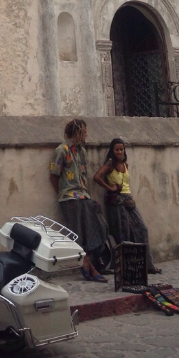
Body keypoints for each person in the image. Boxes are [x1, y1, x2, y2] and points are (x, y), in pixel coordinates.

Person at [49, 118, 109, 282]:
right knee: (78, 234)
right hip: (69, 198)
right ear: (77, 132)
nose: (86, 134)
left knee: (99, 227)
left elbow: (83, 175)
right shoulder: (62, 150)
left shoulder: (81, 151)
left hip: (84, 196)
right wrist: (63, 194)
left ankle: (87, 261)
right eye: (84, 131)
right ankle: (89, 267)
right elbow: (54, 175)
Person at [94, 138, 162, 274]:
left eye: (122, 149)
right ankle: (126, 268)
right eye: (117, 149)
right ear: (112, 151)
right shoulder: (110, 164)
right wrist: (110, 188)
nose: (120, 151)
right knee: (123, 233)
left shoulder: (125, 165)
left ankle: (148, 265)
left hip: (129, 200)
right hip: (117, 202)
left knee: (142, 229)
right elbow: (97, 177)